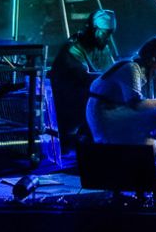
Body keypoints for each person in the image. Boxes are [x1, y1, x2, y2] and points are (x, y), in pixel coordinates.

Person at [86, 35, 156, 157]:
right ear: (153, 58)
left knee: (154, 146)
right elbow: (137, 104)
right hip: (104, 113)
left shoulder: (137, 68)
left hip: (111, 110)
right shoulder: (131, 68)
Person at [48, 9, 119, 147]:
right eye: (106, 33)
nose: (108, 38)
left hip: (89, 95)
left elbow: (109, 70)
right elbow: (82, 77)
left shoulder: (102, 47)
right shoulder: (74, 47)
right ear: (94, 29)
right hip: (69, 99)